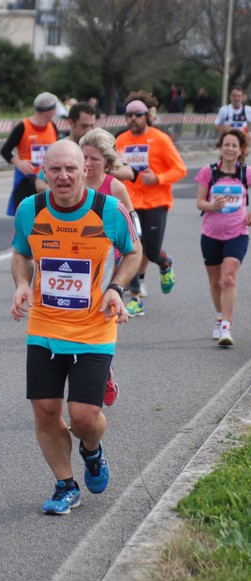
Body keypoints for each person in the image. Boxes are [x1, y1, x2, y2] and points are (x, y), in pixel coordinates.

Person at [10, 139, 141, 515]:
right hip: (45, 326)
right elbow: (20, 251)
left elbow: (133, 252)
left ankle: (92, 451)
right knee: (45, 411)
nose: (63, 176)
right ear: (44, 173)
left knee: (84, 417)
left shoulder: (110, 210)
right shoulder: (29, 209)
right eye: (55, 170)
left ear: (85, 168)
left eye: (71, 168)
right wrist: (22, 283)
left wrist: (116, 288)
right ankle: (65, 485)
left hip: (94, 330)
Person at [79, 127, 141, 406]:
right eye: (84, 157)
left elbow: (132, 223)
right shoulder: (74, 183)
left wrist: (134, 250)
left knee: (101, 318)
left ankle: (103, 371)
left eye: (93, 158)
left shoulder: (114, 187)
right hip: (78, 262)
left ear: (107, 162)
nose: (87, 164)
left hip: (109, 262)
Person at [116, 98, 187, 317]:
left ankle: (165, 263)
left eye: (138, 114)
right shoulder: (121, 140)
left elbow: (180, 169)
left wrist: (158, 178)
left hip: (156, 202)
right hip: (130, 202)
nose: (133, 119)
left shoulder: (160, 139)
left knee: (152, 251)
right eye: (129, 115)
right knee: (130, 249)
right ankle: (135, 298)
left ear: (147, 116)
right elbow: (117, 167)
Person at [195, 129, 251, 346]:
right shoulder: (208, 172)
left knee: (228, 278)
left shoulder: (245, 172)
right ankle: (219, 317)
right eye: (226, 145)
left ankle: (226, 326)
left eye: (234, 145)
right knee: (215, 281)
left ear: (241, 150)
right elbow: (199, 201)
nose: (230, 149)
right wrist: (211, 205)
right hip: (210, 234)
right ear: (220, 147)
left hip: (237, 233)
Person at [0, 91, 59, 216]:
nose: (55, 113)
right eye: (54, 109)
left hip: (46, 179)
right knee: (24, 215)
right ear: (46, 111)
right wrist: (18, 163)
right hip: (26, 179)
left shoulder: (52, 126)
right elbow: (5, 150)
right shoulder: (23, 126)